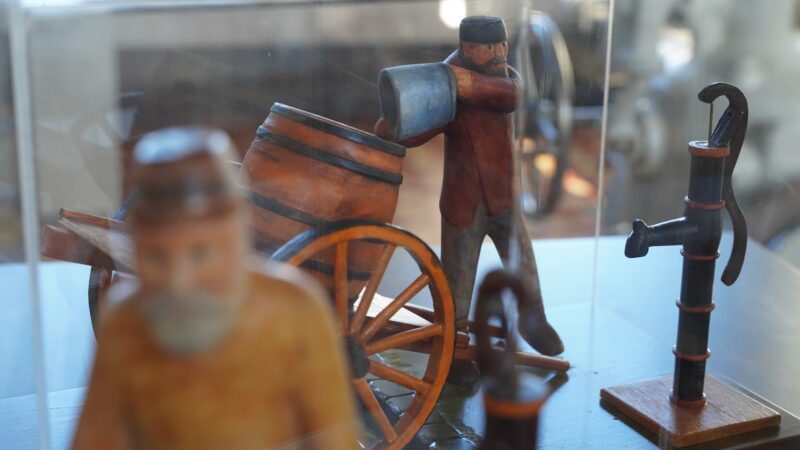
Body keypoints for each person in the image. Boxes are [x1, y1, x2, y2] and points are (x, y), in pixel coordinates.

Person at [71, 127, 359, 450]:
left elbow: (336, 443)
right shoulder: (124, 324)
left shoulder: (295, 312)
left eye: (200, 253)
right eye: (156, 256)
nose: (178, 283)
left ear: (238, 233)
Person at [375, 16, 564, 387]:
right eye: (490, 47)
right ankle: (454, 349)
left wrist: (468, 85)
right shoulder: (446, 81)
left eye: (502, 44)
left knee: (523, 265)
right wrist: (394, 126)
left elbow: (512, 96)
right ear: (467, 48)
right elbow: (423, 122)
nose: (499, 52)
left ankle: (534, 321)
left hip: (504, 199)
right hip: (464, 204)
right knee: (456, 286)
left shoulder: (503, 77)